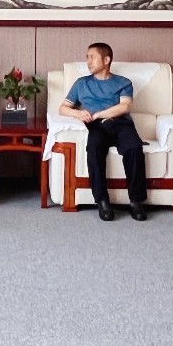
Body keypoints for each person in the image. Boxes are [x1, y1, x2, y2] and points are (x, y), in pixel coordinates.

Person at [59, 42, 148, 222]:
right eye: (87, 57)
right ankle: (102, 201)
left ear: (106, 60)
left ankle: (136, 201)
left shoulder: (123, 82)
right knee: (94, 149)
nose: (88, 61)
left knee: (134, 148)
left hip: (121, 124)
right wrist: (78, 113)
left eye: (92, 57)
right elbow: (63, 108)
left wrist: (99, 113)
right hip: (96, 126)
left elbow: (125, 106)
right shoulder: (81, 83)